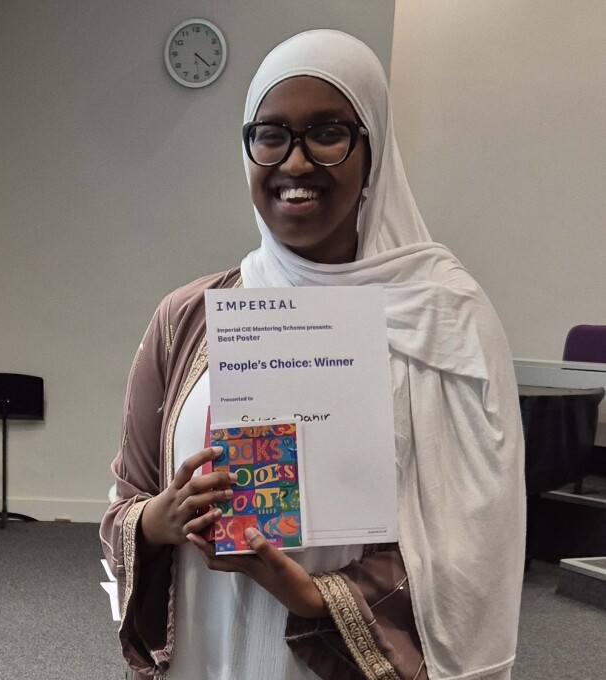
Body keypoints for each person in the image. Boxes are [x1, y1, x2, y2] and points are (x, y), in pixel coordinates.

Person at [100, 30, 524, 680]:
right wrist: (162, 519)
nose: (295, 164)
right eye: (271, 135)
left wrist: (309, 595)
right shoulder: (186, 319)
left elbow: (473, 544)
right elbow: (125, 501)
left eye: (327, 134)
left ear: (373, 149)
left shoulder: (441, 319)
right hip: (206, 648)